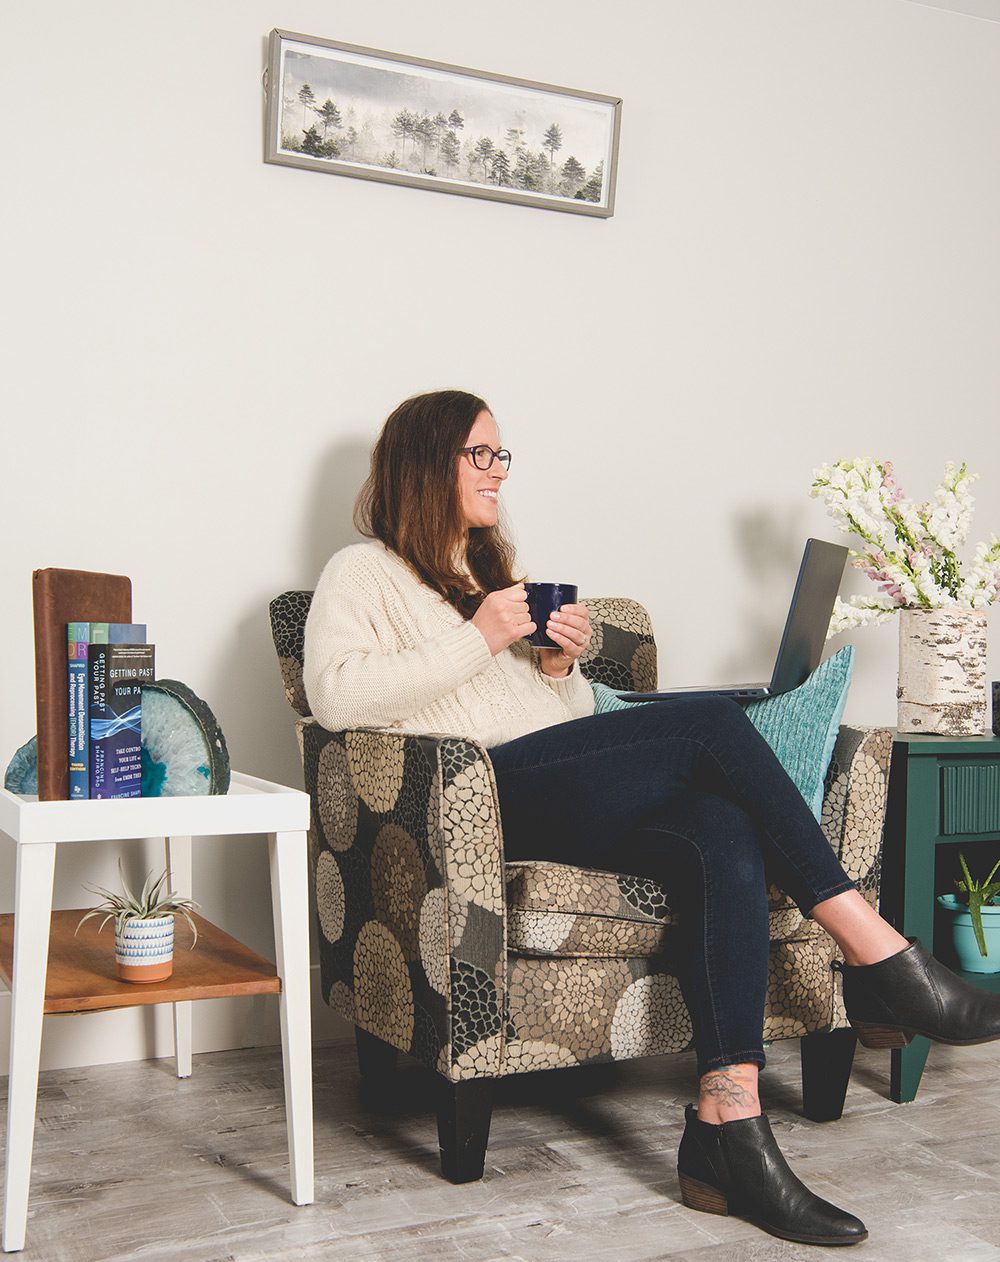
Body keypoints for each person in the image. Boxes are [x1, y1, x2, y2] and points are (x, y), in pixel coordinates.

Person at [304, 389, 1000, 1247]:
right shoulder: (361, 571)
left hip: (557, 783)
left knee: (721, 830)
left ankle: (725, 1127)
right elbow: (338, 697)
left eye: (500, 455)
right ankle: (878, 952)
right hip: (476, 803)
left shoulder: (486, 575)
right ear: (425, 462)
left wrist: (557, 663)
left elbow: (532, 706)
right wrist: (479, 636)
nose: (498, 472)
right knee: (708, 724)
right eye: (480, 455)